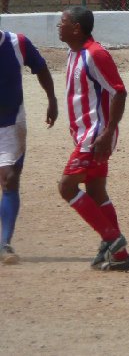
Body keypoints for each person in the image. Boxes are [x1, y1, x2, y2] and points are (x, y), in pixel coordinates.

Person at [57, 5, 129, 271]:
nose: (59, 26)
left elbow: (119, 93)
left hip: (95, 136)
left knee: (67, 187)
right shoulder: (73, 52)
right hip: (84, 135)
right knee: (96, 190)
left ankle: (113, 239)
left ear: (76, 28)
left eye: (62, 22)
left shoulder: (95, 54)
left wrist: (108, 132)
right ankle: (119, 256)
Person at [0, 29, 57, 263]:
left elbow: (41, 68)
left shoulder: (18, 43)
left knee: (9, 178)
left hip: (11, 123)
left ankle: (4, 244)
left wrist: (52, 100)